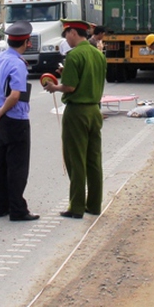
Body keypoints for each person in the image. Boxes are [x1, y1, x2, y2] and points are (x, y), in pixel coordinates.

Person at [43, 20, 107, 219]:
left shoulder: (74, 55)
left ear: (72, 32)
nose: (66, 40)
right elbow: (86, 78)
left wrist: (54, 87)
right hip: (95, 111)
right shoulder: (98, 54)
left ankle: (76, 206)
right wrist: (67, 74)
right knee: (94, 159)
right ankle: (95, 205)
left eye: (66, 35)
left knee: (75, 159)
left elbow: (69, 87)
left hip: (77, 111)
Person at [0, 20, 39, 222]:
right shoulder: (17, 63)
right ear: (26, 42)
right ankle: (18, 209)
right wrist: (2, 108)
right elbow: (15, 95)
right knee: (17, 166)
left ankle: (1, 205)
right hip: (15, 117)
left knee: (1, 162)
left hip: (1, 119)